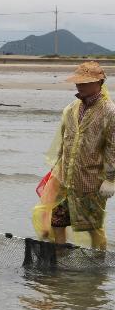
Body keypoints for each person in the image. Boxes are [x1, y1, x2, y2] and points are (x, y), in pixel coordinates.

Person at [46, 61, 115, 250]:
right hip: (67, 179)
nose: (79, 86)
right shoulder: (72, 108)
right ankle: (60, 258)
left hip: (91, 181)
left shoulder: (109, 111)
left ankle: (99, 264)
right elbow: (65, 140)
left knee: (93, 226)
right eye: (78, 82)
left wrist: (111, 179)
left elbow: (112, 147)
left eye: (85, 82)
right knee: (57, 220)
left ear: (99, 83)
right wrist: (57, 167)